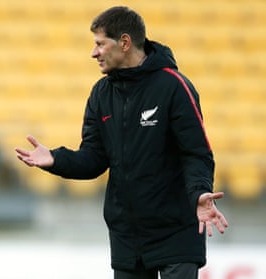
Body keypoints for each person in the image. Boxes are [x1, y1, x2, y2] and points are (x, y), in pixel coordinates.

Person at [15, 6, 229, 279]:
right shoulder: (101, 93)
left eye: (100, 44)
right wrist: (56, 159)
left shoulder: (174, 86)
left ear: (125, 43)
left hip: (176, 231)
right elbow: (93, 159)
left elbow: (196, 153)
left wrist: (199, 193)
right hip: (129, 237)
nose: (94, 53)